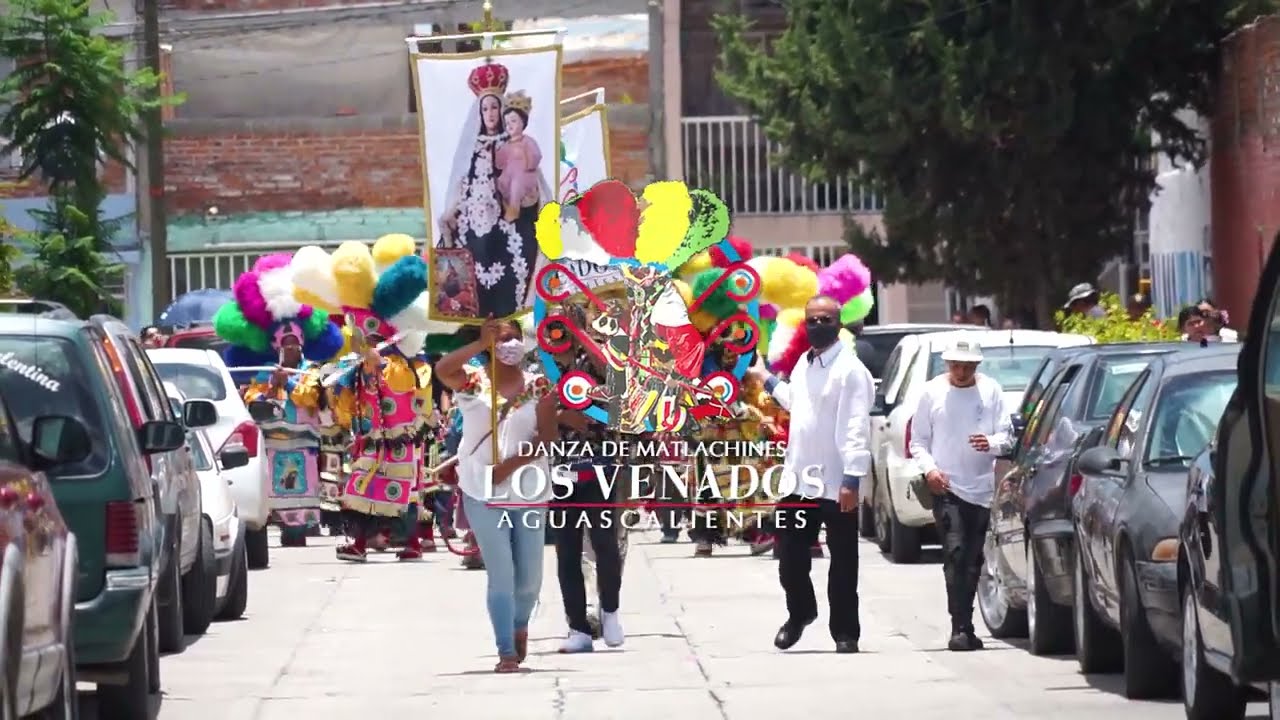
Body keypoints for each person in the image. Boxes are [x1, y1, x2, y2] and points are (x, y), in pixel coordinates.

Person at [289, 236, 439, 562]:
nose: (361, 339)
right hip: (369, 438)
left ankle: (411, 542)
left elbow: (404, 390)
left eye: (366, 334)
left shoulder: (401, 365)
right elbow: (344, 401)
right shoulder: (356, 366)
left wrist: (380, 364)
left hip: (399, 438)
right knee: (359, 487)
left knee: (405, 489)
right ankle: (359, 542)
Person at [435, 316, 561, 673]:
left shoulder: (539, 385)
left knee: (530, 579)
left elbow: (548, 436)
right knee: (501, 573)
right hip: (482, 489)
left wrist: (510, 465)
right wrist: (479, 343)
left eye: (514, 338)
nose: (509, 345)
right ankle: (506, 650)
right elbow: (443, 369)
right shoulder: (472, 382)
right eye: (501, 339)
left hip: (528, 490)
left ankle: (520, 625)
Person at [750, 295, 874, 654]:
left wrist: (852, 478)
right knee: (789, 558)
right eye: (812, 320)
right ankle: (801, 612)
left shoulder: (851, 371)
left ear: (839, 324)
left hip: (837, 483)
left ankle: (845, 633)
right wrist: (765, 378)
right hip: (800, 481)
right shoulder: (805, 364)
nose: (818, 326)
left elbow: (856, 426)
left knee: (843, 563)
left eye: (826, 320)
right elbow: (798, 402)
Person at [213, 253, 346, 548]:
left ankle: (298, 530)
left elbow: (314, 398)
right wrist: (272, 388)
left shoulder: (311, 371)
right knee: (270, 492)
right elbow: (252, 402)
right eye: (285, 345)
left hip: (304, 444)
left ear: (303, 345)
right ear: (275, 346)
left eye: (295, 345)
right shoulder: (264, 372)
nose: (291, 349)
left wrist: (292, 383)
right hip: (272, 443)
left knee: (302, 494)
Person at [907, 338, 1013, 651]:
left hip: (981, 490)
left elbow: (1007, 436)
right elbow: (918, 442)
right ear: (947, 364)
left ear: (976, 366)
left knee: (972, 558)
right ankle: (959, 627)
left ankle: (967, 624)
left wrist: (990, 443)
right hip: (946, 487)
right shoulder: (931, 392)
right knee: (954, 553)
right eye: (956, 366)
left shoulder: (991, 390)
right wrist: (930, 471)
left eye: (967, 366)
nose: (962, 372)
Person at [437, 62, 550, 319]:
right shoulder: (470, 149)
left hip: (509, 231)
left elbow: (533, 184)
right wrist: (451, 212)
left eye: (495, 107)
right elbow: (462, 186)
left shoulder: (516, 144)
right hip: (473, 234)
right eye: (485, 108)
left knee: (512, 286)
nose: (490, 114)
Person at [550, 342, 625, 653]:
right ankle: (578, 628)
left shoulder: (597, 359)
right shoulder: (540, 365)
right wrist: (560, 416)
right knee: (567, 551)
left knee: (605, 542)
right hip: (560, 470)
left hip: (600, 465)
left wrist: (589, 342)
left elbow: (620, 389)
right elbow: (529, 412)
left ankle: (610, 612)